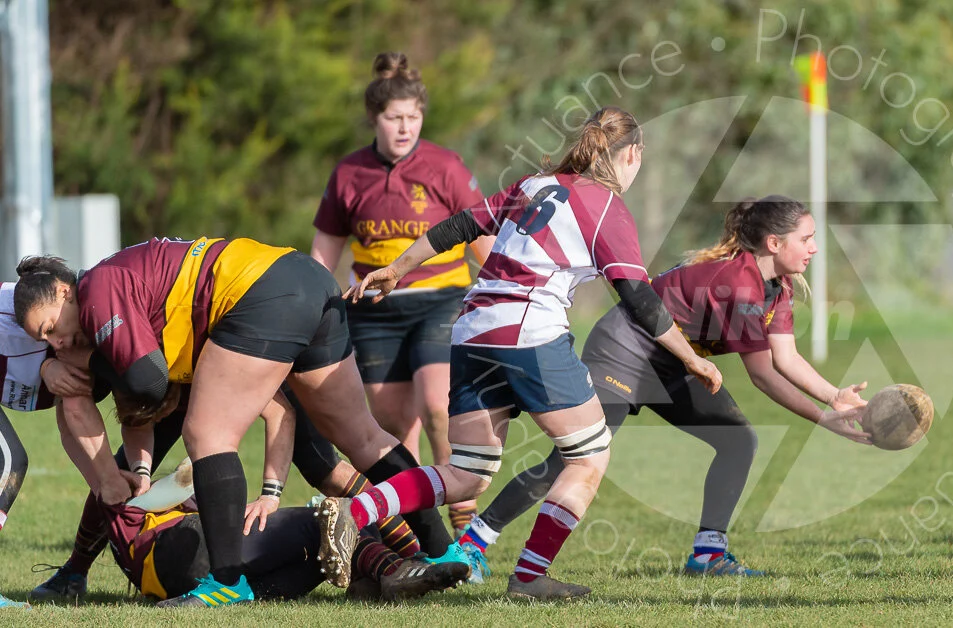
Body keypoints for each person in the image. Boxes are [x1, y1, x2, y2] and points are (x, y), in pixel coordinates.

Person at [318, 106, 723, 601]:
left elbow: (460, 226)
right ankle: (530, 575)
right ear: (632, 154)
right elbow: (637, 297)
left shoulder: (533, 184)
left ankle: (353, 512)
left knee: (466, 473)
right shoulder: (607, 209)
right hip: (529, 334)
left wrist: (397, 267)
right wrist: (692, 357)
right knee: (590, 456)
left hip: (471, 332)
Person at [12, 240, 461, 608]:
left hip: (259, 295)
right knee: (362, 437)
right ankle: (442, 547)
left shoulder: (95, 290)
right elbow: (144, 403)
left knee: (207, 435)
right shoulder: (117, 297)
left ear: (64, 292)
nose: (56, 343)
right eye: (43, 341)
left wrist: (88, 364)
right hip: (306, 280)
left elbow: (147, 382)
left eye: (52, 327)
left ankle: (226, 581)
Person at [454, 195, 870, 580]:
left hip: (673, 364)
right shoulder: (741, 286)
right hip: (623, 352)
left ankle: (708, 554)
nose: (814, 248)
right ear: (775, 243)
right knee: (574, 458)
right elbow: (763, 375)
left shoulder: (777, 286)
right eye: (807, 239)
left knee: (738, 440)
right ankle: (472, 544)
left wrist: (834, 397)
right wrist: (824, 418)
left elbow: (787, 358)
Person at [311, 52, 489, 531]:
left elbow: (482, 237)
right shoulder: (349, 174)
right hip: (375, 309)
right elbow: (324, 254)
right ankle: (420, 529)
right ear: (375, 118)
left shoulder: (446, 166)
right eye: (395, 118)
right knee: (391, 427)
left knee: (437, 404)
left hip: (442, 300)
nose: (405, 127)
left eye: (414, 117)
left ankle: (465, 528)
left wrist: (505, 289)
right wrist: (312, 307)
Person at [93, 460, 467, 604]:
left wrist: (74, 570)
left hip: (172, 580)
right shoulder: (132, 500)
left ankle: (374, 575)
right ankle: (391, 571)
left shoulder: (121, 508)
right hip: (183, 549)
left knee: (324, 557)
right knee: (321, 519)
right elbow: (190, 477)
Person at [1, 270, 102, 610]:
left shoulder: (80, 333)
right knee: (7, 462)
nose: (58, 341)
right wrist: (46, 370)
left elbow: (71, 425)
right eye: (46, 333)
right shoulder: (23, 310)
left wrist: (108, 489)